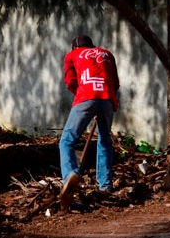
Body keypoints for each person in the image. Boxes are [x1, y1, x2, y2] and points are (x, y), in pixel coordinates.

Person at [59, 35, 120, 209]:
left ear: (74, 47)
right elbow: (115, 82)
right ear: (92, 45)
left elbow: (70, 80)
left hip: (86, 97)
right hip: (107, 98)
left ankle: (69, 176)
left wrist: (84, 98)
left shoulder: (72, 55)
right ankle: (105, 186)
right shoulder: (107, 53)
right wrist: (104, 103)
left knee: (67, 140)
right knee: (105, 142)